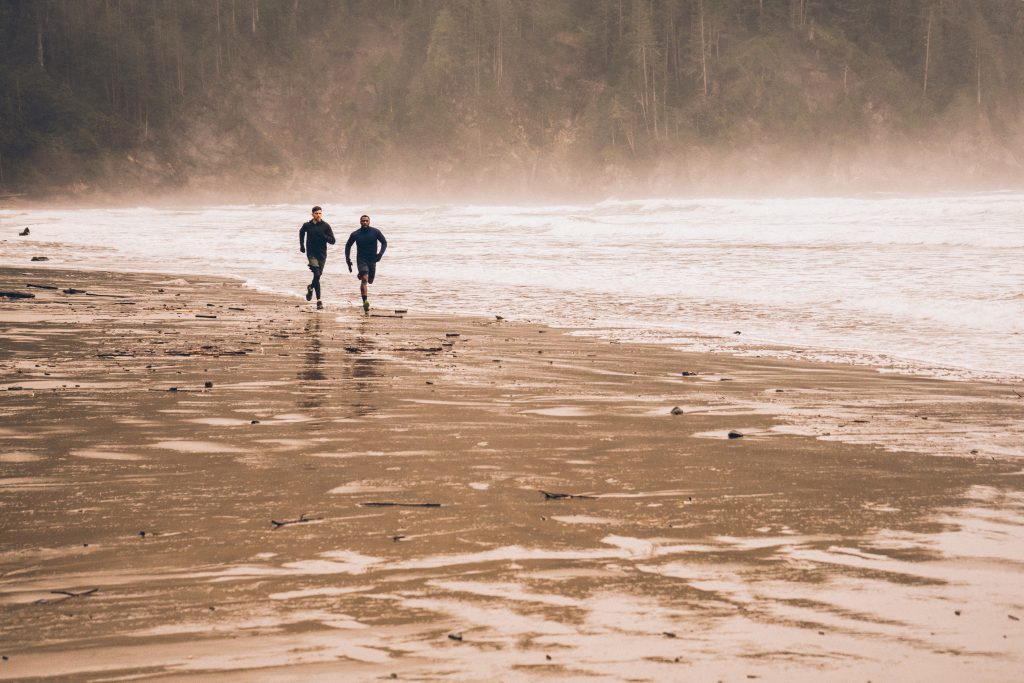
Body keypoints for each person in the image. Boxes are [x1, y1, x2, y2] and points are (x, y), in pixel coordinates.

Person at [345, 214, 387, 313]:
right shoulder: (355, 234)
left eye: (366, 221)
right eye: (363, 221)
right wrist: (348, 259)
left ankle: (361, 274)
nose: (364, 222)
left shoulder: (375, 232)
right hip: (361, 259)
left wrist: (380, 254)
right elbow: (348, 246)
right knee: (365, 279)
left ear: (369, 222)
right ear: (360, 222)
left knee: (370, 281)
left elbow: (384, 242)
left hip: (372, 259)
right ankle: (365, 302)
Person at [299, 205, 336, 310]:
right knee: (317, 273)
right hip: (311, 254)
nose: (318, 215)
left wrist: (324, 235)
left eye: (320, 213)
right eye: (316, 213)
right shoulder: (307, 225)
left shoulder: (325, 226)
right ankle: (319, 301)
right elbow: (301, 232)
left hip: (322, 254)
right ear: (312, 214)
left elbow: (333, 241)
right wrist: (301, 245)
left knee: (318, 276)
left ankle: (310, 287)